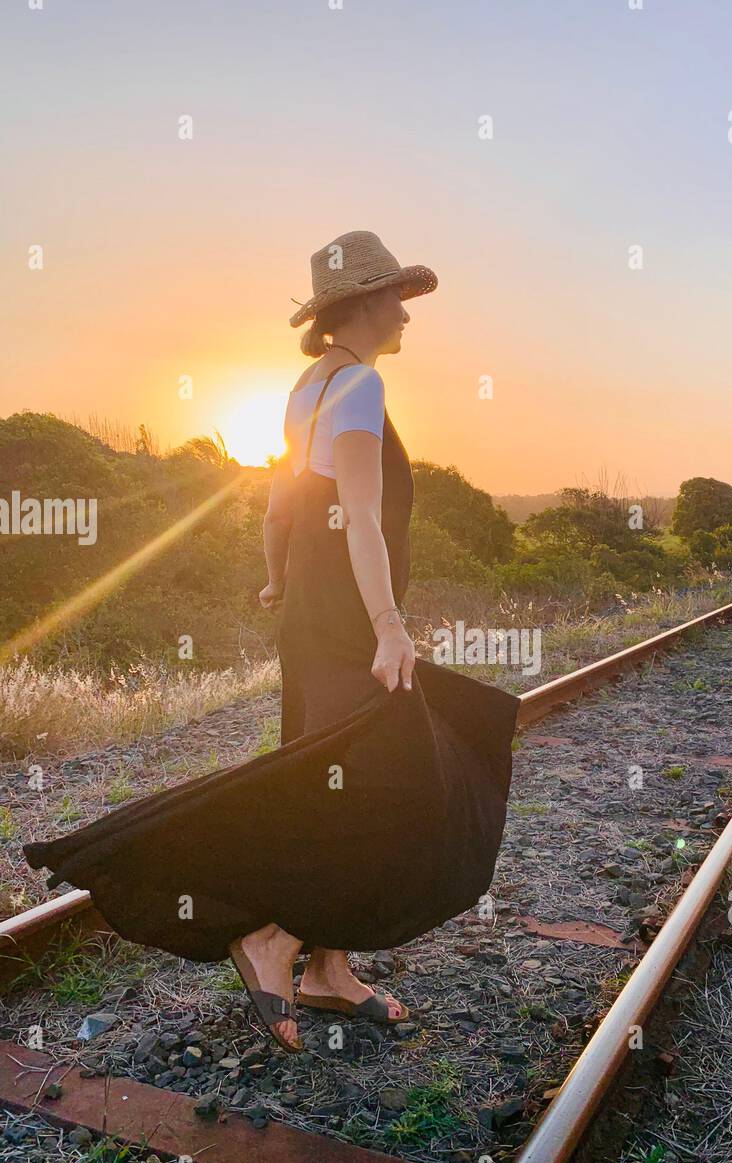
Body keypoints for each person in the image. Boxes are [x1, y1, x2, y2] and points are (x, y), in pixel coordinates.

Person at [24, 230, 521, 1055]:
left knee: (334, 781)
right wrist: (389, 624)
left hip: (312, 610)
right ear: (361, 304)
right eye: (396, 297)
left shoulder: (307, 385)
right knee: (396, 782)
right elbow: (358, 514)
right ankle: (276, 938)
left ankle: (327, 969)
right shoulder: (359, 386)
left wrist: (277, 579)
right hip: (350, 617)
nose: (406, 313)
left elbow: (277, 503)